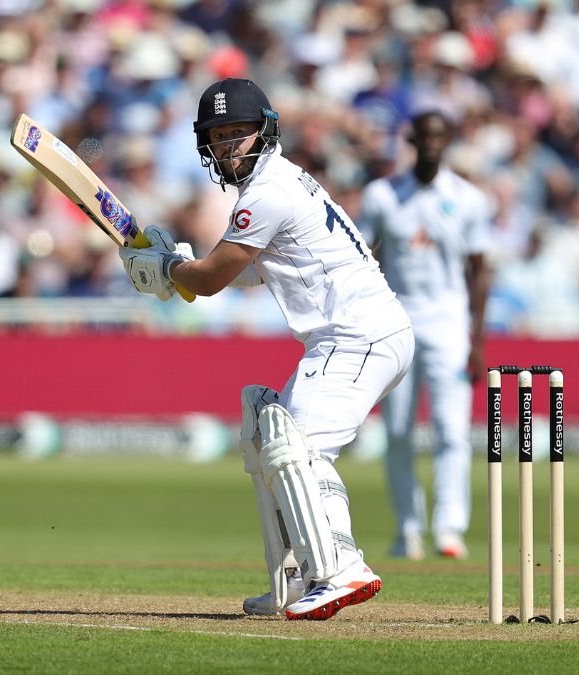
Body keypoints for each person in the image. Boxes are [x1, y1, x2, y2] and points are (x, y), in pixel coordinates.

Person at [118, 79, 413, 620]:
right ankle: (296, 578)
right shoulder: (284, 180)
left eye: (240, 134)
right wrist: (177, 269)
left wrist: (168, 270)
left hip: (357, 334)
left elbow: (209, 280)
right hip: (355, 333)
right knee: (269, 438)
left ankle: (343, 569)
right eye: (220, 135)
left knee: (298, 449)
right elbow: (250, 271)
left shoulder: (266, 194)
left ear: (265, 132)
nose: (231, 145)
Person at [358, 111, 491, 560]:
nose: (432, 143)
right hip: (395, 322)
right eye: (425, 135)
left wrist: (477, 341)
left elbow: (479, 272)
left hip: (449, 324)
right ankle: (407, 529)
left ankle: (449, 529)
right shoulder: (383, 195)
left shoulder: (468, 198)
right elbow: (362, 258)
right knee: (397, 431)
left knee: (452, 430)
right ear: (412, 138)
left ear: (449, 139)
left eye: (440, 135)